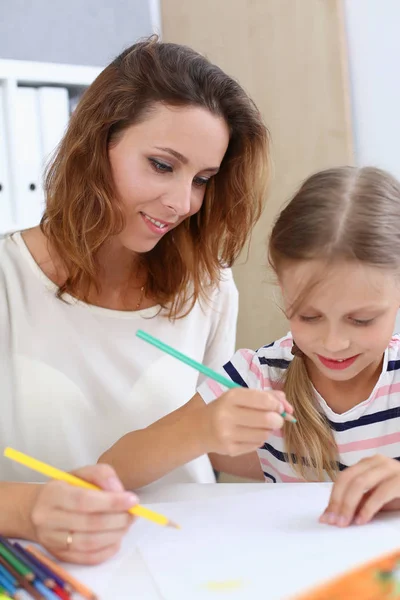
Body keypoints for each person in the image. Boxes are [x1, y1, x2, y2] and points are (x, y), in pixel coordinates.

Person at [0, 36, 269, 563]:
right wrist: (31, 509)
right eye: (163, 165)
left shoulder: (208, 289)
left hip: (185, 568)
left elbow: (213, 444)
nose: (182, 202)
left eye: (203, 180)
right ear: (96, 144)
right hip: (44, 574)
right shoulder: (9, 281)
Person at [101, 165, 400, 528]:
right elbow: (112, 471)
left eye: (361, 320)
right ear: (281, 289)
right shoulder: (257, 376)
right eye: (309, 317)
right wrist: (200, 431)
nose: (334, 343)